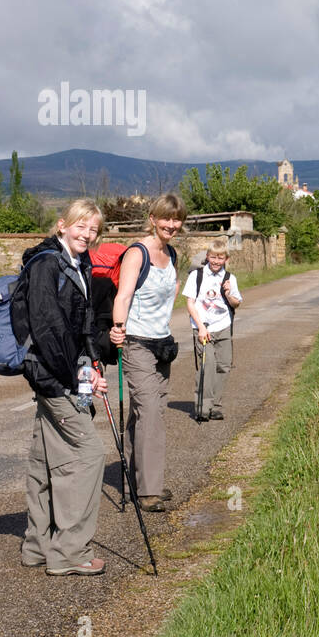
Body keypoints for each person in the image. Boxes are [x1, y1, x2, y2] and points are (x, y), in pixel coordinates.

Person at [20, 199, 109, 576]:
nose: (87, 234)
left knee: (44, 459)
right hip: (52, 376)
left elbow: (81, 325)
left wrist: (93, 365)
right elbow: (48, 330)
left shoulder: (77, 264)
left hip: (64, 374)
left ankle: (37, 547)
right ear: (62, 225)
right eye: (81, 227)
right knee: (89, 455)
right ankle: (70, 552)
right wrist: (76, 381)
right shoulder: (45, 266)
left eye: (94, 230)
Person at [109, 193, 185, 512]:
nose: (171, 224)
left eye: (177, 219)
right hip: (136, 342)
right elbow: (123, 296)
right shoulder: (137, 254)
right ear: (153, 218)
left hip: (162, 344)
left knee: (147, 413)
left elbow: (172, 291)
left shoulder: (172, 254)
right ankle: (149, 490)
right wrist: (117, 327)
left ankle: (135, 478)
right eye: (165, 218)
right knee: (150, 411)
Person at [182, 237, 242, 421]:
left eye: (220, 258)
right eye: (213, 257)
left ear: (226, 259)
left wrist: (228, 293)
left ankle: (215, 406)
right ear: (207, 256)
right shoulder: (197, 276)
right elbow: (190, 304)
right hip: (203, 328)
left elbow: (236, 303)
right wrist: (200, 327)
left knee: (223, 366)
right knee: (207, 367)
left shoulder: (230, 278)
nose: (216, 261)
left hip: (223, 326)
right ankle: (202, 408)